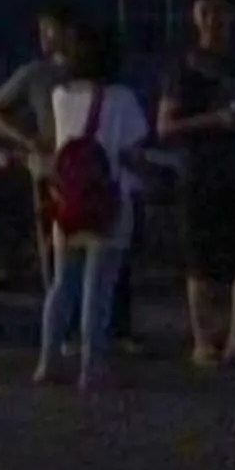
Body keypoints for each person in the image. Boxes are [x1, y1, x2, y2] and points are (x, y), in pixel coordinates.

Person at [34, 22, 152, 393]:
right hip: (108, 203)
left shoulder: (60, 95)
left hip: (67, 203)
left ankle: (47, 362)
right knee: (97, 289)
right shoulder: (123, 99)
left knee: (61, 285)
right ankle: (92, 367)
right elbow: (132, 154)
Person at [158, 0, 235, 367]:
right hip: (199, 172)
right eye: (205, 12)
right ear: (194, 17)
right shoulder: (183, 67)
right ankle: (203, 340)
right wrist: (215, 119)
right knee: (199, 259)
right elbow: (165, 127)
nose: (212, 20)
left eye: (220, 12)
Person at [0, 4, 77, 289]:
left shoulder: (87, 72)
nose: (43, 37)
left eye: (48, 30)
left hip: (85, 164)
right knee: (51, 239)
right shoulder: (36, 73)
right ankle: (56, 296)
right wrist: (26, 139)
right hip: (48, 166)